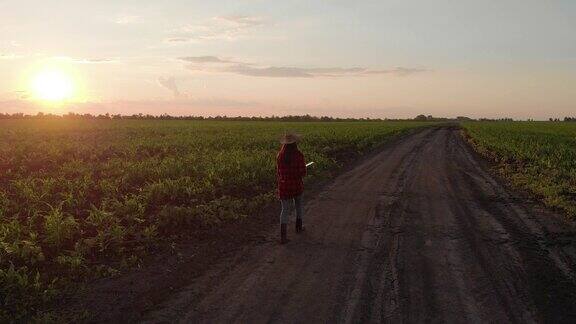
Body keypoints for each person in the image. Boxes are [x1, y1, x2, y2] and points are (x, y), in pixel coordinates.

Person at [276, 132, 307, 244]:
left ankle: (283, 237)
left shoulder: (280, 155)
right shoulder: (299, 155)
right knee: (298, 206)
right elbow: (303, 172)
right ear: (295, 143)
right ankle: (298, 227)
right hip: (296, 185)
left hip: (284, 186)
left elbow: (278, 173)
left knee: (284, 210)